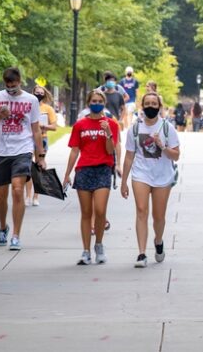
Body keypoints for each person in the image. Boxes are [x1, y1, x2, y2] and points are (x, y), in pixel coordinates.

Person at [0, 67, 46, 251]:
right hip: (0, 151)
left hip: (22, 150)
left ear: (20, 81)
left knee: (18, 190)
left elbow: (36, 130)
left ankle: (16, 236)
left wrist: (40, 156)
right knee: (1, 195)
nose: (11, 88)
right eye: (7, 85)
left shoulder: (31, 100)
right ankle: (3, 226)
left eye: (14, 84)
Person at [121, 92, 180, 268]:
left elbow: (176, 156)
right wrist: (124, 181)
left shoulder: (168, 128)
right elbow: (129, 156)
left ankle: (159, 240)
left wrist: (162, 146)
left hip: (162, 175)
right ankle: (141, 253)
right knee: (141, 210)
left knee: (158, 216)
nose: (151, 107)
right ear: (142, 106)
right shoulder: (135, 129)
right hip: (141, 174)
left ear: (159, 107)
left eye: (154, 104)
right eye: (148, 103)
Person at [63, 90, 120, 265]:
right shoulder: (80, 125)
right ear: (88, 103)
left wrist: (108, 132)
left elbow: (111, 150)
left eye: (100, 101)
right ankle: (86, 251)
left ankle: (99, 245)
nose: (97, 103)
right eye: (93, 100)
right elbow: (74, 150)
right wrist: (67, 174)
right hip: (84, 170)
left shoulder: (111, 124)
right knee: (86, 213)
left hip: (103, 168)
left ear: (104, 103)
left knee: (100, 210)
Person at [25, 85, 57, 207]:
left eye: (41, 93)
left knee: (38, 167)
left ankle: (36, 196)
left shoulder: (48, 109)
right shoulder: (28, 106)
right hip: (28, 138)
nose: (38, 94)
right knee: (27, 167)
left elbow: (54, 126)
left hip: (42, 139)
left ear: (44, 94)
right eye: (36, 92)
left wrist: (43, 126)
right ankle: (27, 195)